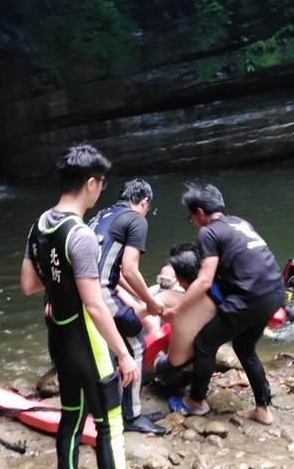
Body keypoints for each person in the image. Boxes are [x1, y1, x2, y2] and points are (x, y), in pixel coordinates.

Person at [20, 144, 163, 469]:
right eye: (101, 184)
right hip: (89, 343)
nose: (101, 190)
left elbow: (30, 285)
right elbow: (96, 305)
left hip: (59, 338)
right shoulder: (79, 235)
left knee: (70, 413)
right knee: (109, 424)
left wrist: (58, 294)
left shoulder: (40, 225)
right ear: (91, 183)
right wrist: (124, 354)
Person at [166, 184, 284, 425]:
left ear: (199, 212)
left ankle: (195, 402)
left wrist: (178, 309)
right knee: (244, 347)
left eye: (191, 218)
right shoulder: (239, 223)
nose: (194, 223)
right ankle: (263, 408)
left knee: (205, 344)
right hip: (274, 292)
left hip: (249, 298)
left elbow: (205, 279)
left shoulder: (208, 232)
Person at [88, 178, 166, 435]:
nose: (147, 213)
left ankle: (115, 403)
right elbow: (131, 269)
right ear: (144, 202)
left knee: (119, 342)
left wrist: (143, 299)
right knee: (136, 345)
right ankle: (131, 415)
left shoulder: (102, 215)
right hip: (99, 291)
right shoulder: (136, 220)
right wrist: (153, 302)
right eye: (148, 207)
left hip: (84, 288)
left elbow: (116, 270)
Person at [152, 243, 217, 391]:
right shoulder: (215, 296)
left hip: (174, 373)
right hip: (202, 369)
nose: (163, 284)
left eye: (167, 280)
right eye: (160, 279)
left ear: (179, 280)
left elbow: (138, 313)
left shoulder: (167, 297)